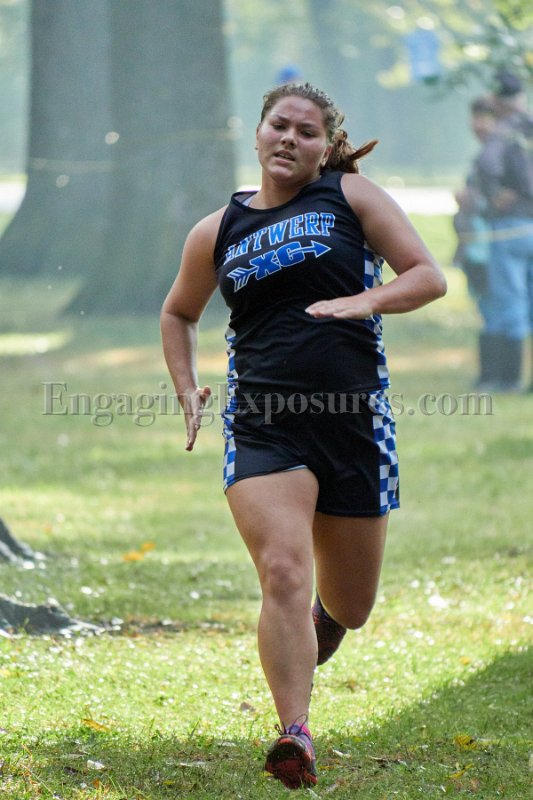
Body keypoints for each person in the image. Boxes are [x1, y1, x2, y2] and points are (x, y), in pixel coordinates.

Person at [160, 82, 447, 789]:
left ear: (326, 146)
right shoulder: (216, 230)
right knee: (283, 570)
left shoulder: (351, 197)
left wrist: (363, 300)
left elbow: (427, 277)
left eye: (307, 131)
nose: (289, 138)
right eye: (278, 125)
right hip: (262, 422)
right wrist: (186, 388)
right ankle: (295, 733)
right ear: (258, 133)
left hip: (352, 422)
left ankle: (326, 618)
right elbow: (178, 313)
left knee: (351, 606)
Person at [475, 71, 533, 392]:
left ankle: (508, 379)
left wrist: (495, 191)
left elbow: (488, 163)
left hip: (511, 227)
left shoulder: (504, 130)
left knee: (509, 299)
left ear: (497, 100)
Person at [453, 96, 497, 387]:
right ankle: (490, 375)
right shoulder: (483, 158)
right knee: (487, 308)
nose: (477, 124)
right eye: (475, 117)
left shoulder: (501, 157)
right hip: (477, 250)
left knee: (498, 308)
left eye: (484, 117)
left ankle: (497, 376)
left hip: (491, 250)